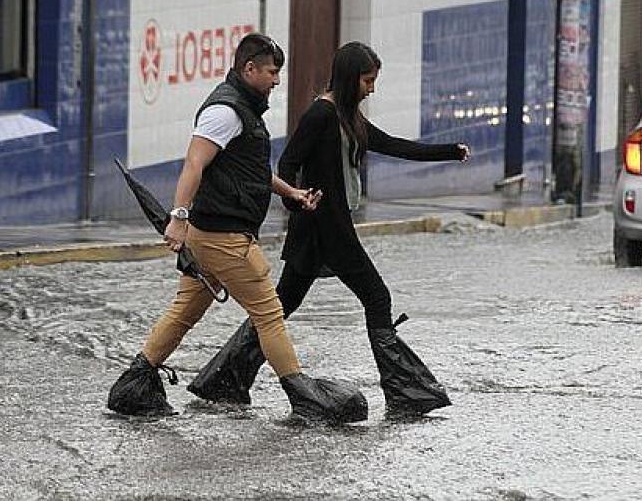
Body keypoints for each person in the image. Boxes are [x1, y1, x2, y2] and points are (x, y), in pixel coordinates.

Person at [190, 42, 470, 418]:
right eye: (368, 80)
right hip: (325, 227)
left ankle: (222, 380)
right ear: (349, 77)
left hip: (326, 226)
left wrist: (450, 151)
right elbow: (288, 163)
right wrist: (296, 200)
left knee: (281, 305)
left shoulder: (347, 116)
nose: (372, 88)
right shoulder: (320, 114)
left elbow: (393, 145)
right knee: (377, 297)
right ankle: (407, 392)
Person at [107, 33, 367, 424]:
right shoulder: (224, 112)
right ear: (249, 69)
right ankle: (304, 396)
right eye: (271, 72)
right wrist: (178, 217)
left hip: (209, 236)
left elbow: (250, 169)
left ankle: (135, 384)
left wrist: (292, 193)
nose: (277, 81)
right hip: (223, 237)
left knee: (184, 313)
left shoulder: (242, 110)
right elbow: (194, 164)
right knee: (269, 312)